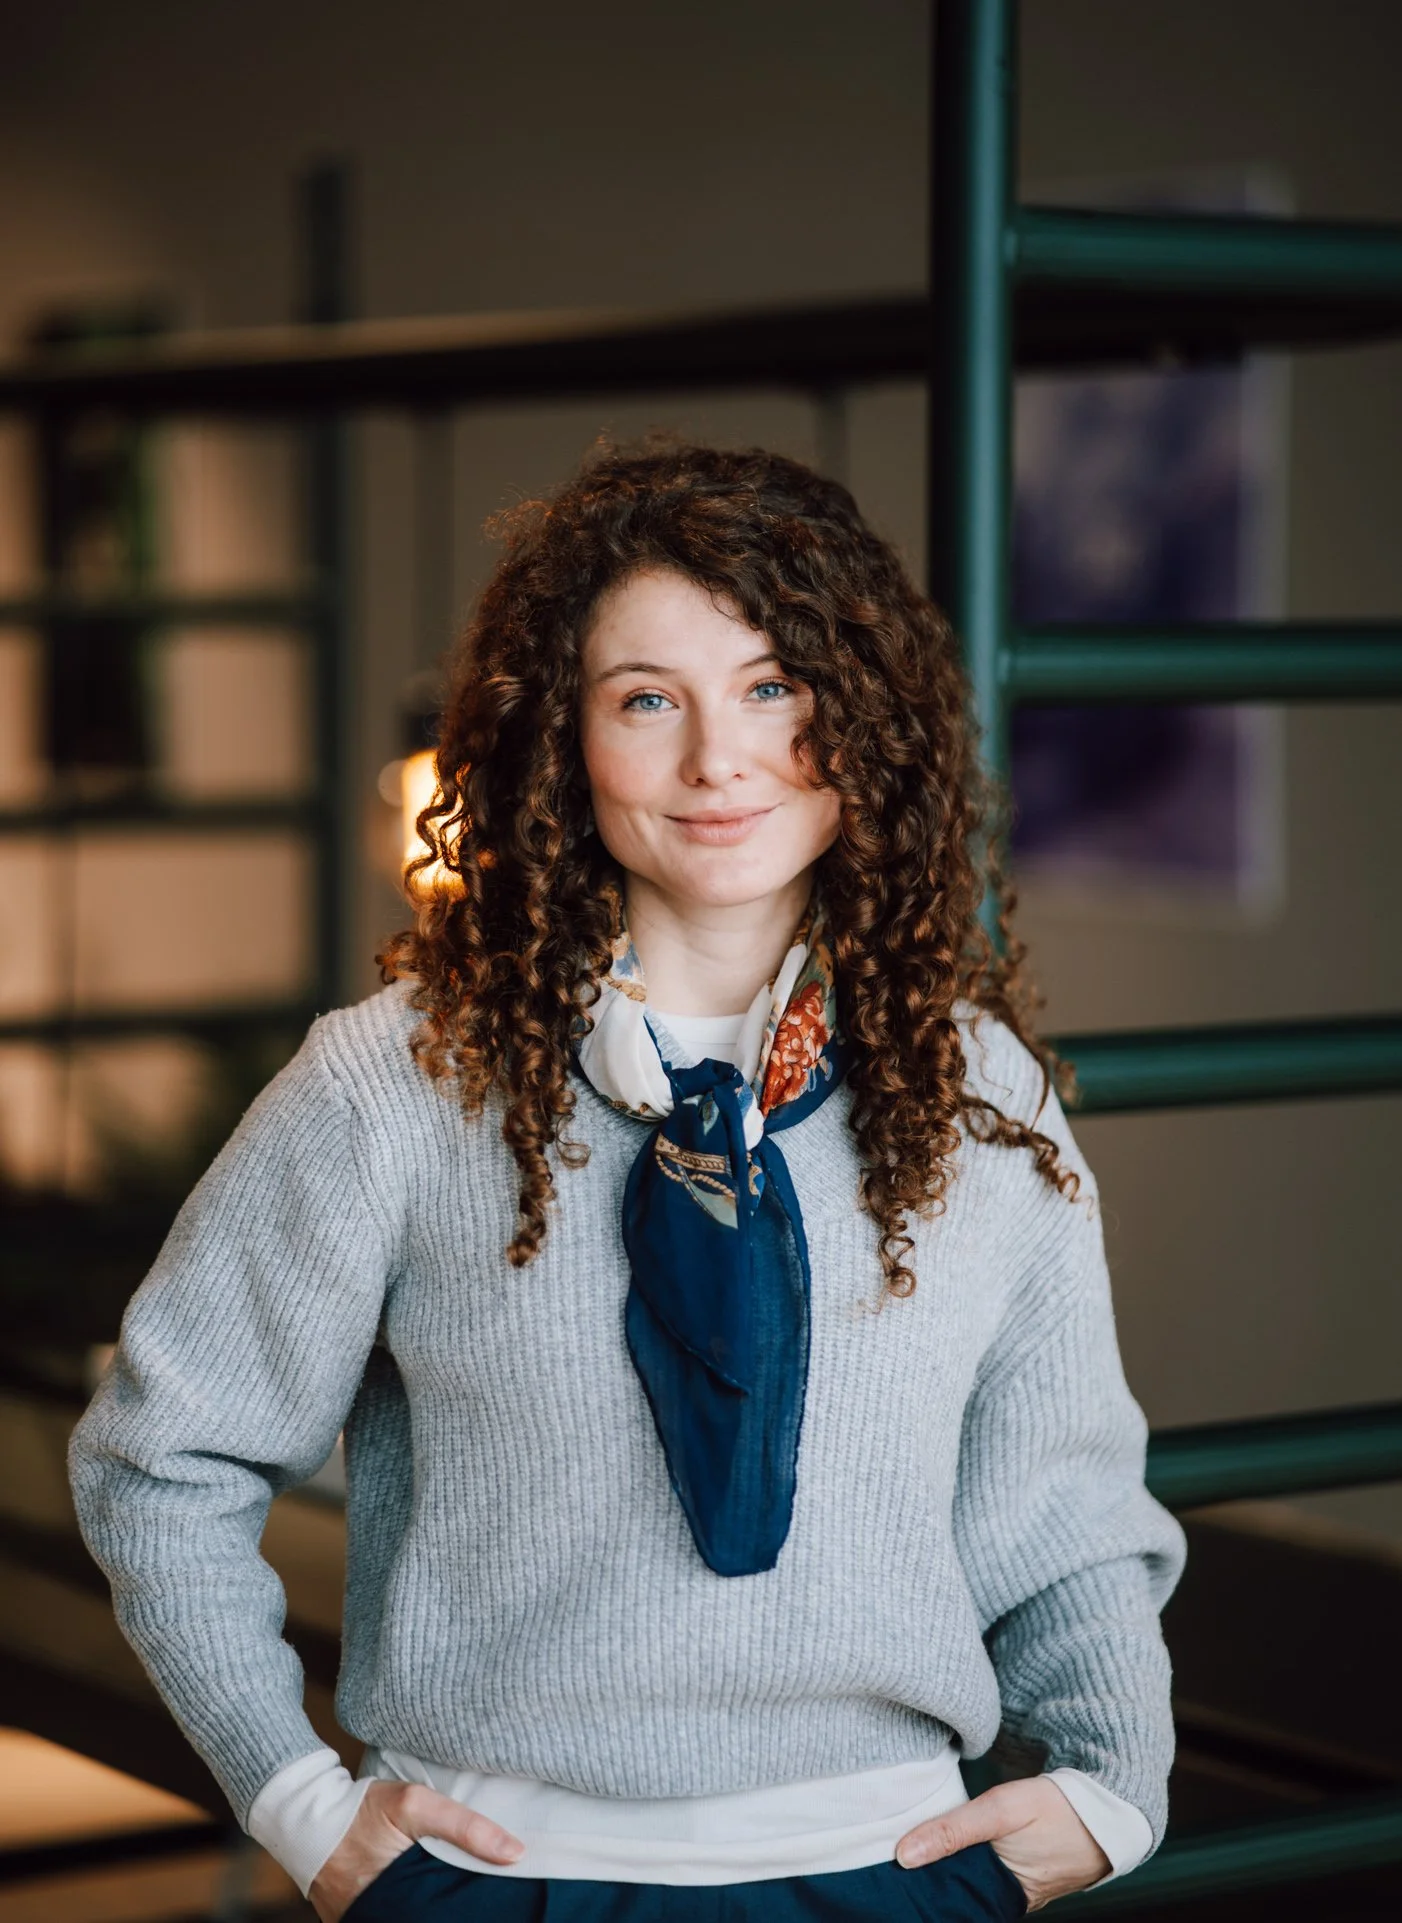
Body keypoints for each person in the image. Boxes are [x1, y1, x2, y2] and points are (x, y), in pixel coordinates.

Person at [69, 440, 1187, 1921]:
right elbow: (164, 1458)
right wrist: (299, 1800)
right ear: (558, 740)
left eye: (773, 685)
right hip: (501, 1887)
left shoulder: (974, 1092)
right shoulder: (396, 1084)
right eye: (646, 698)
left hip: (891, 1876)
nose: (717, 758)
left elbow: (1065, 1504)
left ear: (861, 719)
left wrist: (1115, 1784)